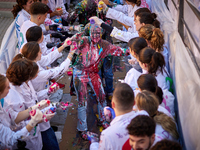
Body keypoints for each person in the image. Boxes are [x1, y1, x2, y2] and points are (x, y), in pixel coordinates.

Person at [69, 24, 129, 139]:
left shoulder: (105, 45)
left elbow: (119, 50)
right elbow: (72, 43)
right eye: (93, 33)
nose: (96, 35)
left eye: (98, 33)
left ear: (101, 33)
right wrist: (79, 34)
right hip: (80, 72)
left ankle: (103, 120)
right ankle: (83, 129)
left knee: (101, 96)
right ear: (89, 33)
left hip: (93, 73)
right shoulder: (84, 41)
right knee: (82, 102)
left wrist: (131, 51)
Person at [8, 56, 59, 150]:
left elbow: (34, 97)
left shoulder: (26, 83)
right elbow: (16, 122)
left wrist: (47, 93)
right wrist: (39, 118)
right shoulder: (13, 97)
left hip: (35, 129)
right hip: (27, 136)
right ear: (27, 76)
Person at [90, 83, 148, 149]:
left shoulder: (107, 135)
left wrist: (94, 144)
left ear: (113, 104)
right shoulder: (145, 116)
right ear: (134, 103)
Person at [0, 73, 50, 149]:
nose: (10, 89)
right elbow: (12, 138)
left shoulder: (2, 101)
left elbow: (15, 117)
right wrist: (33, 122)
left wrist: (36, 107)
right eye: (7, 87)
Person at [90, 10, 160, 42]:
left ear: (143, 25)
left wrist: (101, 24)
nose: (134, 22)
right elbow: (122, 17)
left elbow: (122, 34)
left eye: (136, 21)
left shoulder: (140, 36)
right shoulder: (143, 31)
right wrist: (106, 9)